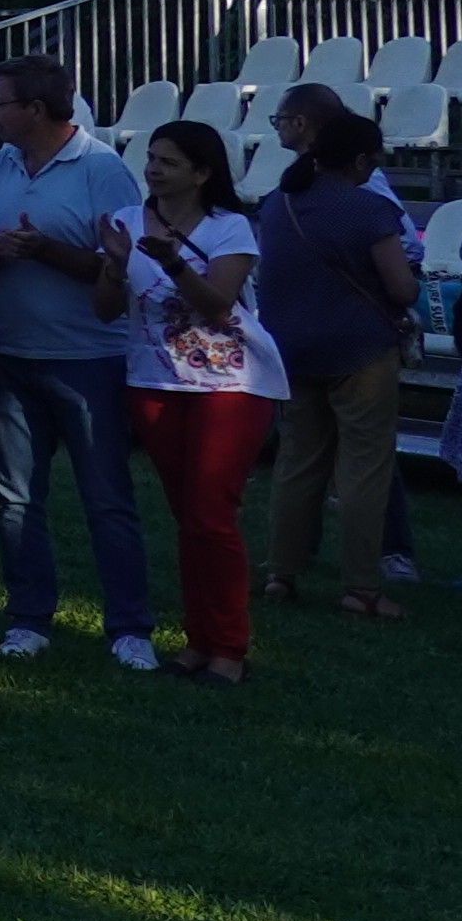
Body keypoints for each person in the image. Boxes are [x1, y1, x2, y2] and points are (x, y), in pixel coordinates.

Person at [0, 55, 157, 668]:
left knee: (106, 498)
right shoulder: (1, 162)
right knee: (15, 498)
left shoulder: (102, 170)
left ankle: (129, 627)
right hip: (13, 356)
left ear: (36, 110)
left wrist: (46, 251)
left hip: (88, 360)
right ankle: (28, 619)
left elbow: (122, 269)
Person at [95, 121, 281, 684]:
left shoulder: (231, 229)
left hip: (230, 385)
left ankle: (228, 647)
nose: (153, 169)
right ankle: (200, 641)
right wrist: (113, 263)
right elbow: (104, 309)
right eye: (151, 159)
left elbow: (219, 306)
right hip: (154, 381)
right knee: (189, 517)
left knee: (211, 515)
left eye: (169, 162)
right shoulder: (126, 222)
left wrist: (173, 262)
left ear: (202, 173)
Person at [251, 94, 420, 622]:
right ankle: (361, 586)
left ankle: (281, 571)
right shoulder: (370, 208)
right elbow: (402, 287)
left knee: (298, 464)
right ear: (364, 161)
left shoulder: (278, 203)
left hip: (293, 350)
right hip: (359, 351)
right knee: (364, 468)